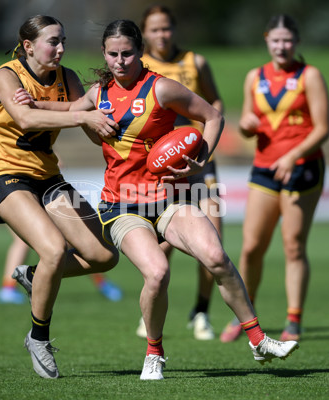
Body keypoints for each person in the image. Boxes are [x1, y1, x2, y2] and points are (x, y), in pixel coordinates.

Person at [16, 18, 299, 380]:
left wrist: (202, 157)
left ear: (141, 52)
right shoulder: (97, 95)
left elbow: (212, 117)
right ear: (104, 54)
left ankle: (258, 340)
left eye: (128, 53)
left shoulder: (162, 89)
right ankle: (154, 353)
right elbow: (69, 110)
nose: (120, 61)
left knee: (216, 257)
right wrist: (32, 102)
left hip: (168, 199)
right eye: (113, 54)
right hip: (121, 206)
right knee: (158, 272)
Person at [0, 15, 121, 380]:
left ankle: (36, 275)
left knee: (104, 255)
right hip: (4, 175)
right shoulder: (7, 75)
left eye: (63, 41)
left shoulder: (68, 78)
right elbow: (25, 119)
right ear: (28, 46)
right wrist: (81, 115)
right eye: (52, 42)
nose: (60, 49)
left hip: (48, 177)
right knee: (54, 250)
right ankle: (38, 337)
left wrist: (103, 124)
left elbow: (88, 122)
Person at [219, 14, 329, 343]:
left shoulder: (310, 76)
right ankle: (245, 318)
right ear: (267, 40)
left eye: (288, 40)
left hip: (303, 168)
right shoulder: (255, 76)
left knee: (293, 246)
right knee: (251, 248)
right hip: (265, 168)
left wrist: (293, 156)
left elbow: (323, 129)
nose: (282, 46)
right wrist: (245, 125)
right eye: (276, 40)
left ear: (296, 42)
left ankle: (294, 319)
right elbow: (245, 125)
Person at [135, 4, 224, 341]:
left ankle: (201, 312)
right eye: (155, 30)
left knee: (214, 238)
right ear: (145, 33)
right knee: (165, 240)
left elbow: (216, 105)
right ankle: (151, 309)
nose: (162, 35)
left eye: (166, 28)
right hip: (163, 166)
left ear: (174, 29)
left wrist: (206, 150)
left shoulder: (195, 62)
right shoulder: (139, 66)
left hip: (200, 160)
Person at [0, 229, 123, 304]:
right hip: (14, 192)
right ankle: (9, 288)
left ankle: (102, 283)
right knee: (21, 241)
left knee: (69, 242)